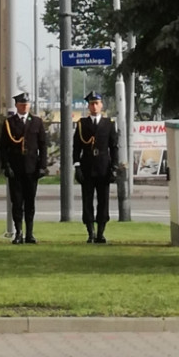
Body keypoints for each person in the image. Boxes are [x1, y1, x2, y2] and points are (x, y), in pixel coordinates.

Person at [0, 90, 48, 244]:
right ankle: (18, 232)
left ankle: (30, 233)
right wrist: (6, 166)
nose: (24, 107)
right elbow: (3, 147)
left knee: (30, 202)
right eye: (21, 105)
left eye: (26, 104)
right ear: (16, 106)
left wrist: (42, 166)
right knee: (17, 202)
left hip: (31, 168)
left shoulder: (36, 122)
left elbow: (43, 145)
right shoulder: (9, 123)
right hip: (16, 169)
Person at [72, 90, 119, 243]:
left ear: (101, 105)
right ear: (88, 106)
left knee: (103, 200)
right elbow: (76, 147)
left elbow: (114, 147)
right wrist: (77, 166)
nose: (94, 106)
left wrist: (114, 167)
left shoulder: (108, 124)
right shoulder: (82, 124)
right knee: (87, 200)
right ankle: (90, 232)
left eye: (96, 103)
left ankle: (101, 232)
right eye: (91, 104)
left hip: (103, 168)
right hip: (87, 167)